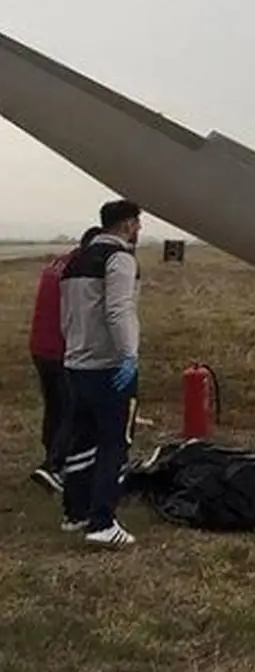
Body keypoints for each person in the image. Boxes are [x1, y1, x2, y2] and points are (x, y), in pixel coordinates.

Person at [58, 199, 142, 547]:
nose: (139, 230)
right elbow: (119, 309)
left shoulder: (75, 260)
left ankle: (75, 513)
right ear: (125, 225)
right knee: (113, 443)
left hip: (75, 363)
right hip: (108, 367)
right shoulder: (119, 258)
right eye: (137, 223)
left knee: (81, 439)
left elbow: (67, 316)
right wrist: (129, 355)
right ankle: (102, 522)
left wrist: (74, 348)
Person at [28, 225, 103, 492]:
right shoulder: (81, 270)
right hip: (61, 350)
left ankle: (50, 455)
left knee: (55, 405)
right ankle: (54, 466)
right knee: (72, 408)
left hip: (40, 346)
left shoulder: (58, 263)